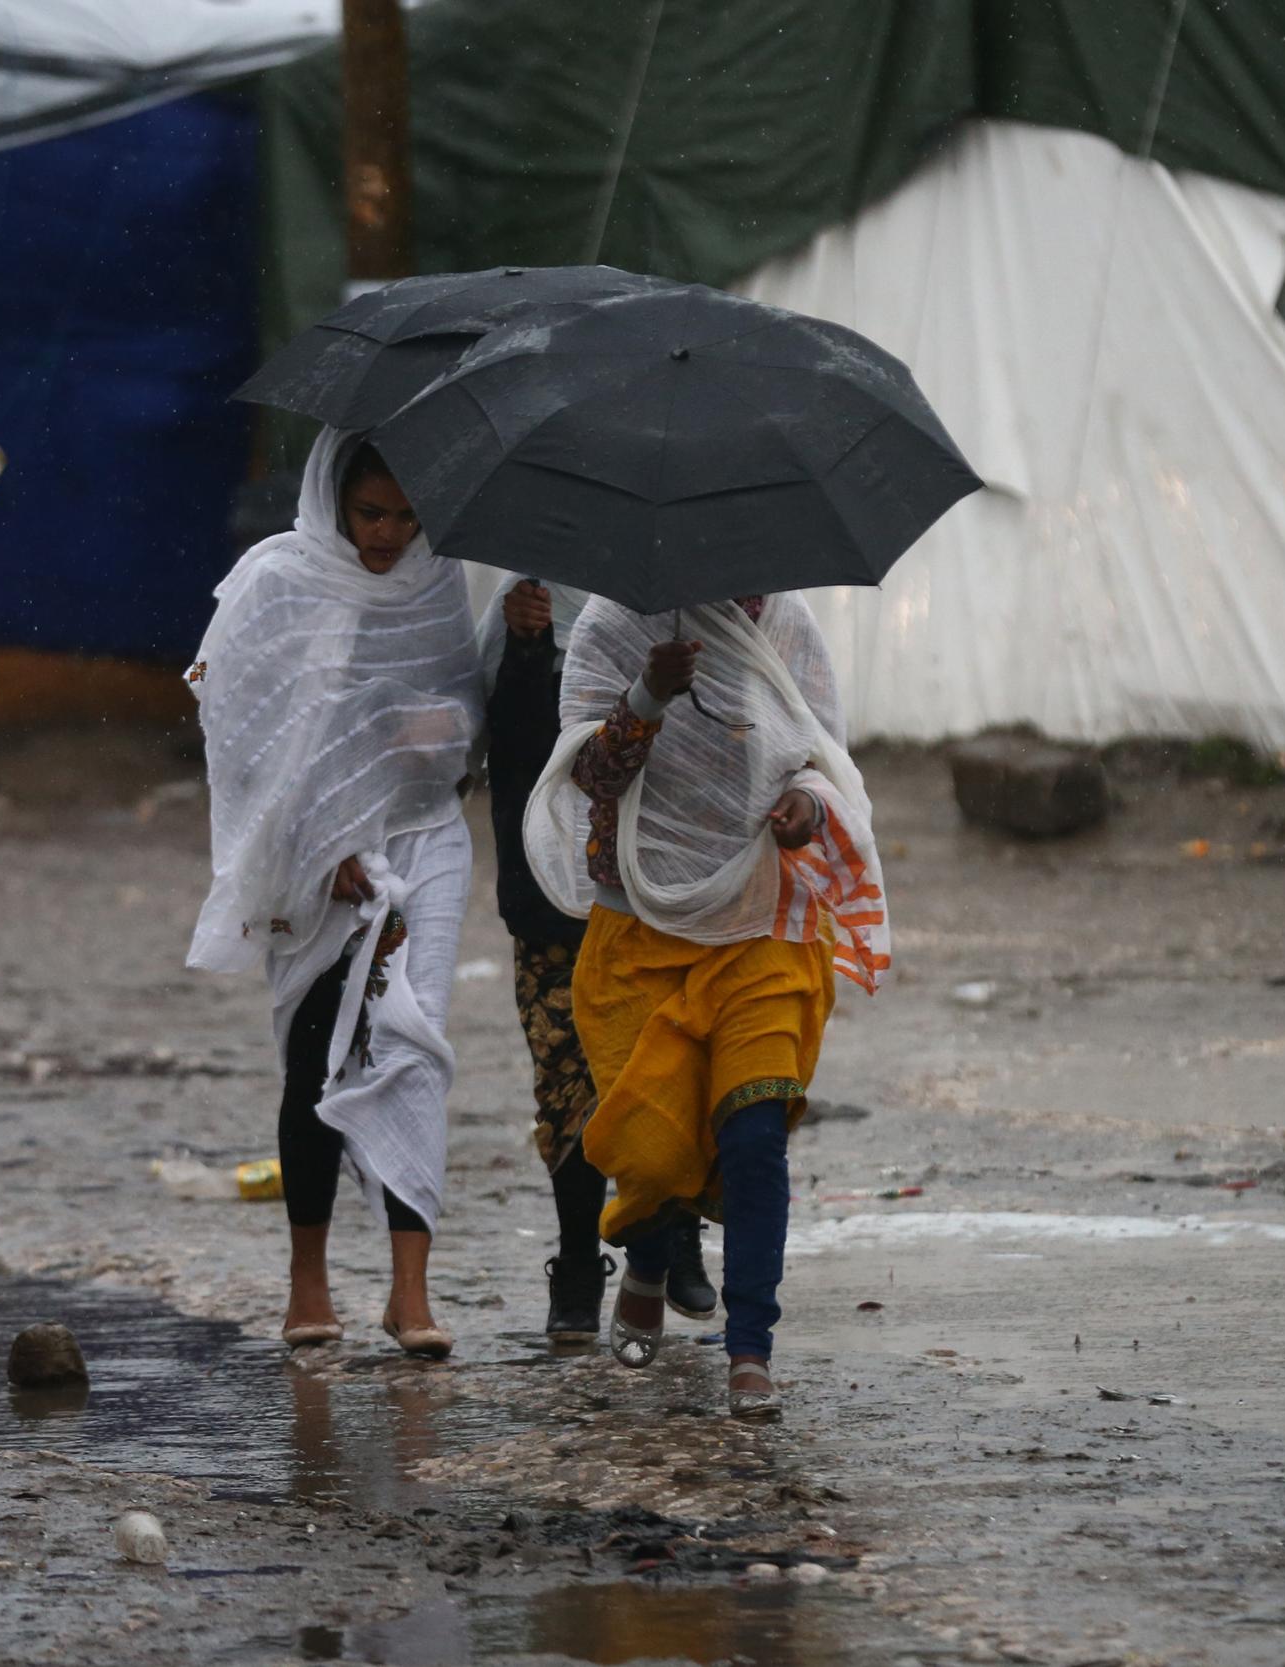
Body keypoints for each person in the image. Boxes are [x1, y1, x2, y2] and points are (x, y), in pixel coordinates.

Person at [523, 593, 890, 1418]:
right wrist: (648, 694)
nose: (749, 579)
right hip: (640, 924)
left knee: (756, 1132)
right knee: (652, 1154)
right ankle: (647, 1260)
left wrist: (807, 805)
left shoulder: (789, 625)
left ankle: (750, 1346)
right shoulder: (614, 625)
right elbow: (587, 772)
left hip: (762, 919)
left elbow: (815, 754)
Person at [186, 430, 482, 1359]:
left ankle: (410, 1292)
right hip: (311, 855)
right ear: (333, 499)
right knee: (316, 1054)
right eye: (370, 513)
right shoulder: (276, 583)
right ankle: (307, 1279)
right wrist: (323, 848)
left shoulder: (441, 582)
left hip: (424, 836)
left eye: (405, 514)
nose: (388, 533)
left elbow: (459, 730)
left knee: (414, 1041)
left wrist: (434, 727)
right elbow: (242, 735)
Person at [477, 576, 717, 1348]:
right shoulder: (524, 607)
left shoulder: (681, 607)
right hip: (554, 901)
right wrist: (523, 647)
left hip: (659, 894)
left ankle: (675, 1233)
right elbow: (513, 760)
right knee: (567, 1086)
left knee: (665, 1073)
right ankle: (579, 1258)